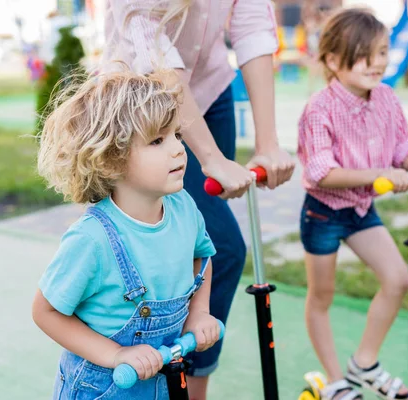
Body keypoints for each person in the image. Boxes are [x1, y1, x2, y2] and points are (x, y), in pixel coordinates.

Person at [100, 1, 295, 398]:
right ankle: (153, 377)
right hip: (143, 105)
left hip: (209, 88)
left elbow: (253, 27)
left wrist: (268, 142)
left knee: (203, 250)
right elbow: (156, 58)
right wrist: (211, 159)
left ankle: (191, 384)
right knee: (208, 249)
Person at [32, 69, 222, 399]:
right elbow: (45, 312)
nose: (178, 149)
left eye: (176, 135)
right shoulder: (92, 240)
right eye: (157, 141)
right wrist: (116, 355)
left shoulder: (183, 207)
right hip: (105, 386)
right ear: (111, 160)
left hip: (161, 380)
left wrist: (199, 313)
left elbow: (201, 257)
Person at [296, 8, 408, 400]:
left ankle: (364, 361)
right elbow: (320, 172)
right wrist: (378, 174)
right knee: (322, 296)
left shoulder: (385, 98)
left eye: (382, 52)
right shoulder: (320, 107)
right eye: (366, 54)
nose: (378, 62)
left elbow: (401, 147)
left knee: (398, 278)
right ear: (333, 60)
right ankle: (334, 379)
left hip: (362, 210)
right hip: (325, 211)